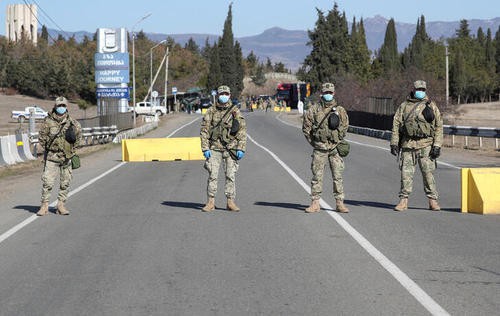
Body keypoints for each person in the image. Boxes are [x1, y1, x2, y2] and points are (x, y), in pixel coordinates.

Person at [390, 80, 443, 211]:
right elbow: (396, 124)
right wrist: (394, 142)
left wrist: (437, 145)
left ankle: (433, 200)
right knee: (406, 174)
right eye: (418, 89)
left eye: (423, 90)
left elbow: (439, 126)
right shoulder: (404, 106)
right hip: (408, 144)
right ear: (413, 90)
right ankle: (403, 200)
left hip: (426, 145)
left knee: (428, 173)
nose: (421, 91)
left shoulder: (431, 106)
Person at [302, 82, 349, 213]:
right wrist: (315, 143)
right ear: (321, 93)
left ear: (333, 93)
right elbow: (306, 128)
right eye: (325, 92)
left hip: (334, 148)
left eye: (330, 92)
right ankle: (315, 203)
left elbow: (345, 126)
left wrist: (337, 139)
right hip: (320, 148)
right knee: (317, 176)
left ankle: (340, 203)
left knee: (337, 176)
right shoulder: (314, 109)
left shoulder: (340, 110)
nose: (328, 95)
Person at [200, 85, 247, 212]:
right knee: (212, 175)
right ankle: (210, 202)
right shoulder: (211, 110)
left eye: (226, 94)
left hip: (230, 148)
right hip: (214, 148)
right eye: (222, 94)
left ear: (229, 95)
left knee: (230, 175)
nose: (224, 96)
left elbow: (242, 130)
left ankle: (230, 202)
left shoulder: (235, 111)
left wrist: (241, 148)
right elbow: (204, 130)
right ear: (218, 95)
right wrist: (205, 148)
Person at [37, 96, 82, 216]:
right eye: (59, 106)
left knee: (65, 182)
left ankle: (61, 205)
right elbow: (41, 138)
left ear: (66, 107)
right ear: (55, 106)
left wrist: (72, 150)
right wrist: (50, 148)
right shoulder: (48, 122)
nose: (61, 108)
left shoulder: (72, 123)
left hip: (66, 157)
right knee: (48, 182)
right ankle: (44, 205)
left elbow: (78, 137)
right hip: (52, 157)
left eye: (63, 106)